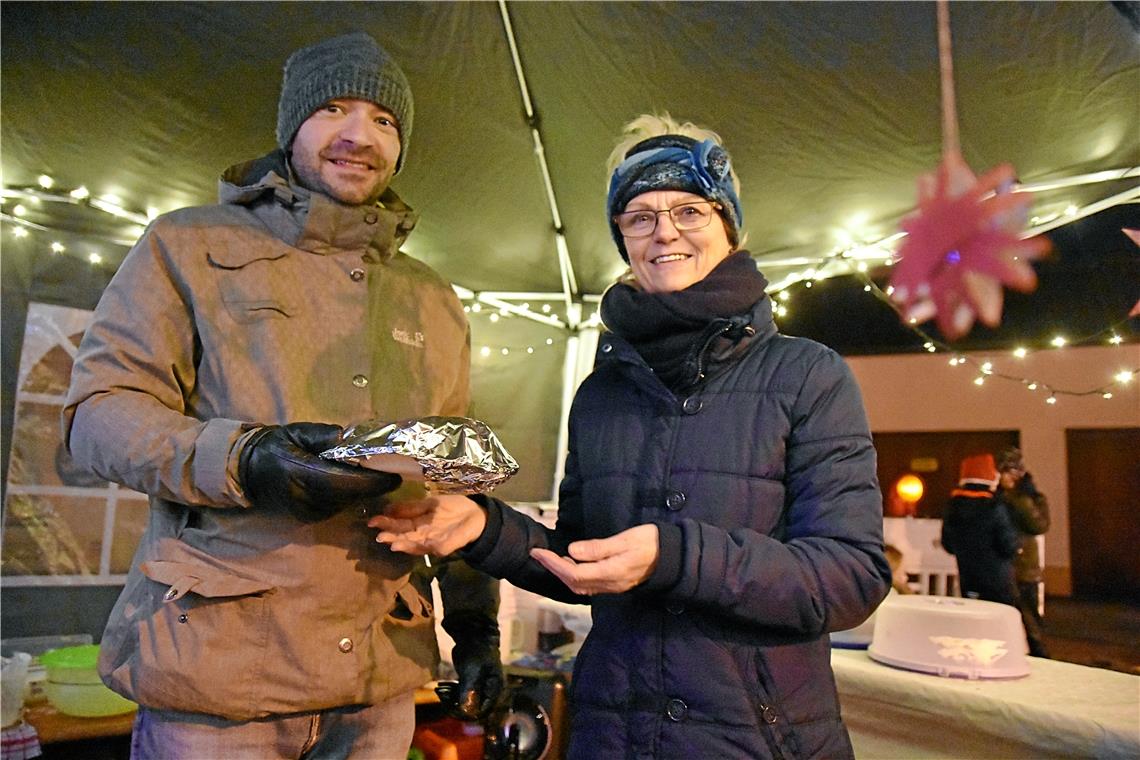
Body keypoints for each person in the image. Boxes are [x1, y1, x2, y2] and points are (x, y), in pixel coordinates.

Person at [370, 114, 892, 759]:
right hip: (615, 731)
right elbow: (581, 562)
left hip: (759, 736)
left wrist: (675, 556)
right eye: (639, 216)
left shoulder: (807, 374)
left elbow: (850, 579)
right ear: (622, 238)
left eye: (689, 210)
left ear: (729, 226)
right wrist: (482, 529)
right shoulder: (603, 391)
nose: (664, 231)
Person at [62, 32, 501, 758]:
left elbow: (453, 471)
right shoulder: (188, 246)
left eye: (385, 121)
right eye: (333, 109)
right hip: (218, 678)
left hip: (378, 678)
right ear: (291, 126)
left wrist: (476, 623)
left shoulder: (432, 297)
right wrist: (246, 459)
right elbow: (98, 415)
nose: (359, 135)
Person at [940, 454, 1020, 608]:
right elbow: (1008, 545)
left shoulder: (953, 507)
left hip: (968, 577)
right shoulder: (995, 507)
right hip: (997, 580)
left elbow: (948, 545)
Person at [995, 447, 1051, 657]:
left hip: (1024, 567)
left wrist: (1018, 500)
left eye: (1008, 473)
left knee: (1030, 621)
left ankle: (1040, 658)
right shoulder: (998, 497)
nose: (1004, 478)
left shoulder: (1026, 499)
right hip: (1005, 566)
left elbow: (1039, 525)